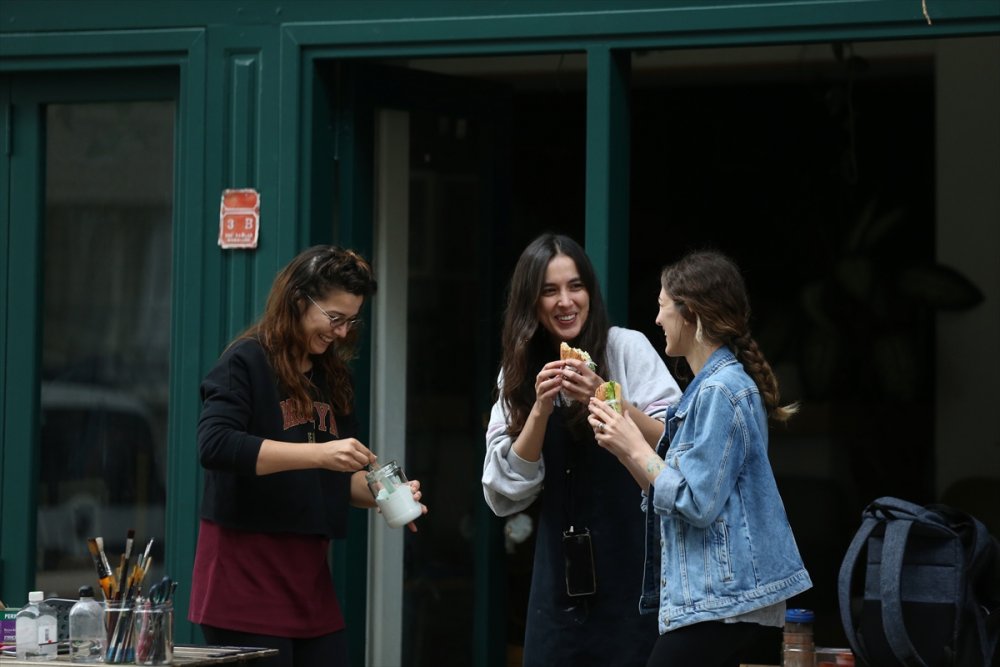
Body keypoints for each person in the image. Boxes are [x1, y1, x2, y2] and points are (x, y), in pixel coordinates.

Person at [188, 245, 427, 667]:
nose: (342, 332)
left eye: (351, 321)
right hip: (244, 579)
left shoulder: (333, 377)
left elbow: (340, 475)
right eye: (334, 318)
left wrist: (386, 493)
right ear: (299, 301)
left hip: (309, 582)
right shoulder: (245, 361)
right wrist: (318, 454)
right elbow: (216, 445)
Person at [588, 250, 812, 667]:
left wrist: (635, 446)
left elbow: (695, 501)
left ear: (689, 313)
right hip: (718, 602)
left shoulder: (721, 391)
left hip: (725, 604)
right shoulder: (705, 392)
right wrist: (623, 448)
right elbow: (669, 489)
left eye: (662, 306)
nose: (657, 319)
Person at [482, 233, 681, 667]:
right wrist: (540, 408)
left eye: (575, 286)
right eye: (549, 290)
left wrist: (604, 395)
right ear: (531, 301)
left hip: (635, 572)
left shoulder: (625, 347)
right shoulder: (518, 369)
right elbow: (504, 490)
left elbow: (676, 442)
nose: (565, 301)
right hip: (558, 581)